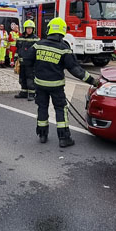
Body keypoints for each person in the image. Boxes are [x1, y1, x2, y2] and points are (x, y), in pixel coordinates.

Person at [27, 17, 99, 148]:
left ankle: (42, 135)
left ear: (49, 29)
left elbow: (27, 61)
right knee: (60, 110)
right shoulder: (64, 48)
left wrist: (35, 75)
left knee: (42, 108)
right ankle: (64, 138)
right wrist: (92, 81)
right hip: (56, 87)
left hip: (40, 85)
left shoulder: (38, 45)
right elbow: (75, 69)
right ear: (62, 31)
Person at [15, 19, 38, 100]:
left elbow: (37, 52)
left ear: (33, 29)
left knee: (30, 78)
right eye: (28, 28)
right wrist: (15, 58)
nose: (29, 30)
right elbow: (18, 49)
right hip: (22, 62)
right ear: (25, 29)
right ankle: (23, 92)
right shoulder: (20, 38)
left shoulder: (36, 39)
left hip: (31, 63)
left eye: (31, 28)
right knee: (22, 77)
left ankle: (32, 94)